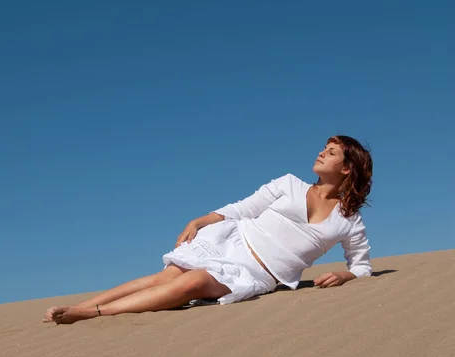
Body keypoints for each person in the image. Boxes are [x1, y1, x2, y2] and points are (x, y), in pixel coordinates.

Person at [43, 135, 373, 324]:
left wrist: (346, 275)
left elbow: (361, 266)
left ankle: (92, 314)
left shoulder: (348, 221)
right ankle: (87, 306)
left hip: (258, 274)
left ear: (346, 168)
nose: (320, 152)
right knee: (167, 275)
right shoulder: (288, 184)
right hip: (231, 242)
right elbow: (243, 208)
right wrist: (200, 221)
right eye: (323, 148)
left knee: (194, 281)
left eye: (330, 153)